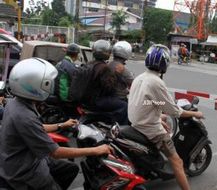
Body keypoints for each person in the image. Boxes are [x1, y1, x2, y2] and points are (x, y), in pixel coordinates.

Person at [0, 58, 114, 190]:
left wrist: (61, 125)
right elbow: (56, 152)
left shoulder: (16, 103)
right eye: (47, 83)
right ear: (35, 85)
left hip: (30, 159)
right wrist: (95, 150)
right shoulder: (24, 116)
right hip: (24, 172)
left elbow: (37, 128)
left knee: (70, 169)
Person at [128, 44, 204, 190]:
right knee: (177, 162)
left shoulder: (140, 78)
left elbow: (147, 101)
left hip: (136, 124)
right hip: (150, 130)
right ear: (165, 64)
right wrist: (196, 114)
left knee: (164, 122)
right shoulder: (157, 82)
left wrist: (159, 116)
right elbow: (176, 112)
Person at [84, 40, 128, 125]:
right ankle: (119, 130)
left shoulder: (89, 64)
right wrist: (118, 74)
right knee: (124, 106)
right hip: (98, 101)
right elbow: (109, 88)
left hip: (88, 99)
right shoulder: (104, 68)